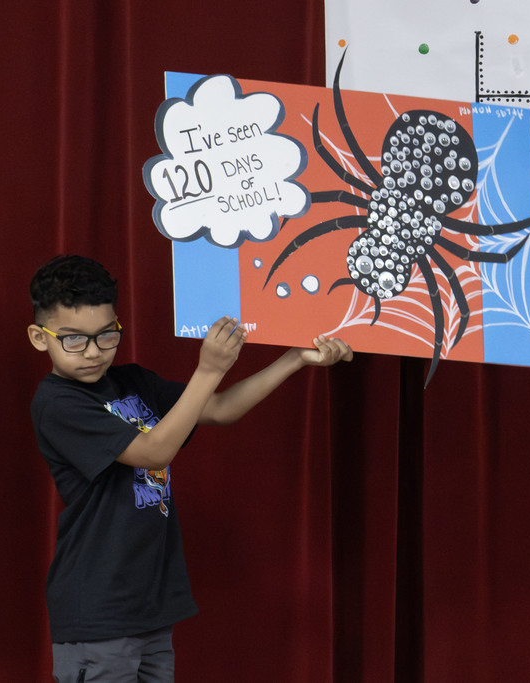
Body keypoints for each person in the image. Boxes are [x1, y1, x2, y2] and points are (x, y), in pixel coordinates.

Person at [27, 254, 353, 682]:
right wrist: (211, 368)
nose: (93, 352)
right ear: (39, 337)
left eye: (106, 336)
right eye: (73, 339)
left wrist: (294, 358)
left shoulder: (133, 380)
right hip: (98, 608)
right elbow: (153, 451)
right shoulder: (57, 403)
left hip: (150, 603)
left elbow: (217, 408)